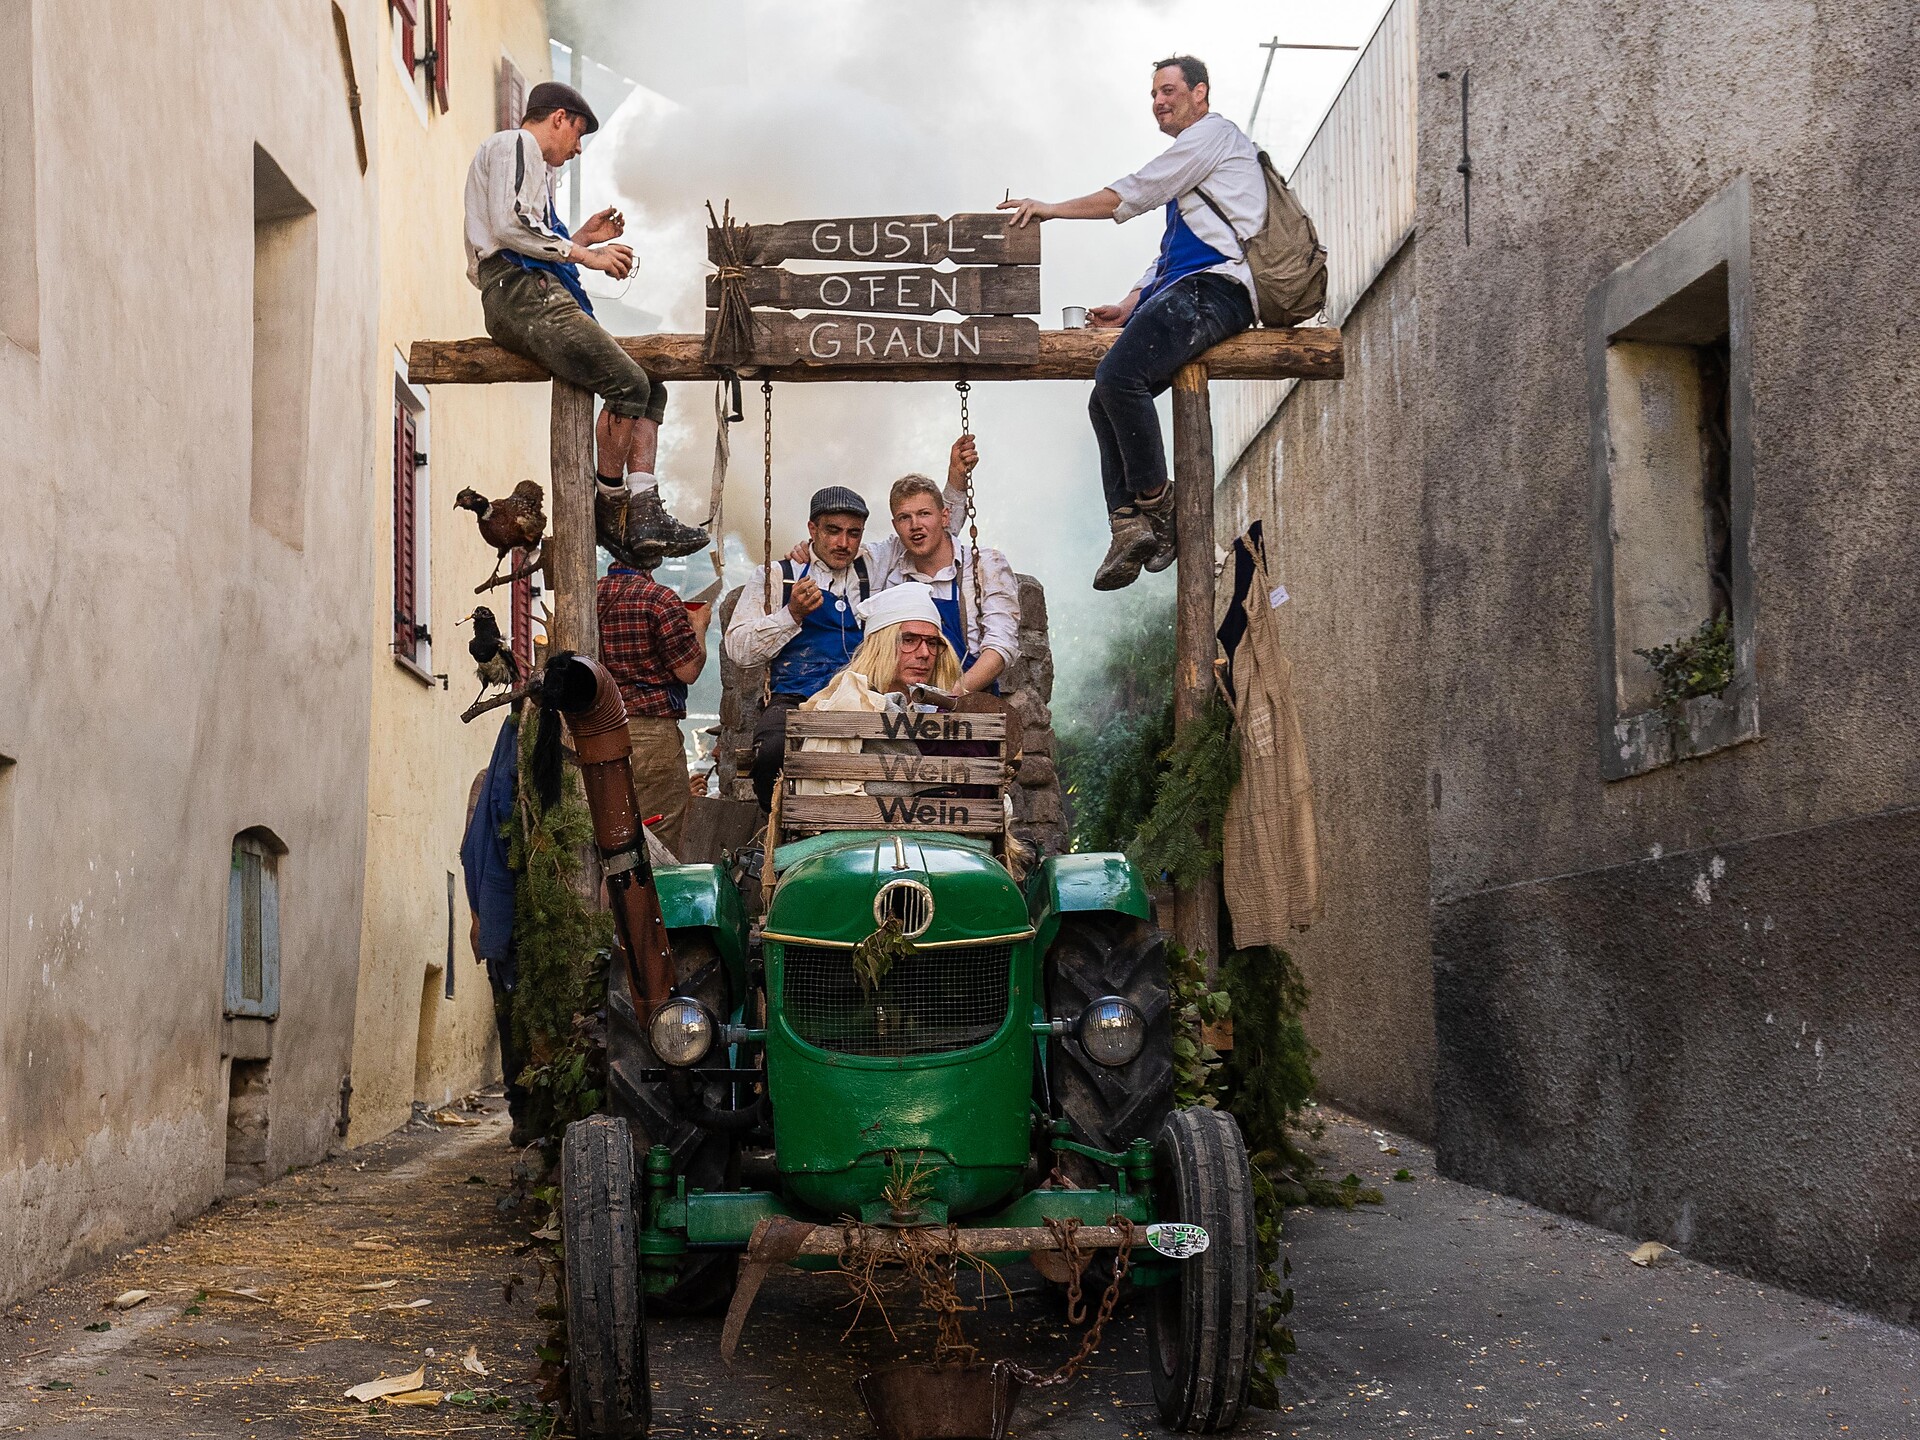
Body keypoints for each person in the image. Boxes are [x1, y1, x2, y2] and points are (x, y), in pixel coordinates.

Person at [1000, 55, 1263, 591]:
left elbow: (1129, 194)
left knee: (1118, 377)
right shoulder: (1196, 170)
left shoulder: (1212, 136)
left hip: (1221, 291)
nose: (1159, 101)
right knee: (1104, 399)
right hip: (1193, 288)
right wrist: (1127, 306)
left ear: (1200, 93)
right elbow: (1172, 255)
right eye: (1154, 94)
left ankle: (1157, 508)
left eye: (1169, 90)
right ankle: (1127, 527)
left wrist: (1049, 209)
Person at [463, 79, 708, 559]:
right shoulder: (516, 144)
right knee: (628, 386)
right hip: (520, 293)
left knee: (649, 387)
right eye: (578, 133)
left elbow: (520, 232)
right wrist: (586, 256)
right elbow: (511, 226)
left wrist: (581, 238)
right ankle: (613, 509)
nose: (577, 148)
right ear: (558, 117)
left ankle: (642, 509)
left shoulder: (527, 163)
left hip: (526, 289)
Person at [724, 486, 877, 809]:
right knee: (770, 754)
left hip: (858, 697)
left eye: (853, 534)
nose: (843, 543)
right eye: (833, 531)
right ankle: (778, 827)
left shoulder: (872, 572)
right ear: (812, 529)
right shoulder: (778, 575)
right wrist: (790, 615)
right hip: (794, 698)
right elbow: (738, 648)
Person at [597, 551, 710, 856]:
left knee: (604, 833)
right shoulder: (659, 599)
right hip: (651, 734)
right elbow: (689, 670)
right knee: (658, 836)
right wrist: (699, 625)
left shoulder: (589, 594)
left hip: (595, 732)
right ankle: (653, 903)